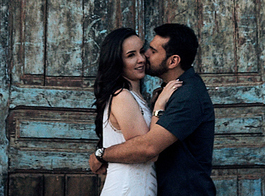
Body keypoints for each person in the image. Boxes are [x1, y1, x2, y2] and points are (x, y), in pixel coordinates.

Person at [91, 23, 216, 196]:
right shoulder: (142, 95)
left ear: (173, 61)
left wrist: (101, 154)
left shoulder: (188, 95)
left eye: (151, 51)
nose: (144, 56)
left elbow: (148, 148)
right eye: (133, 54)